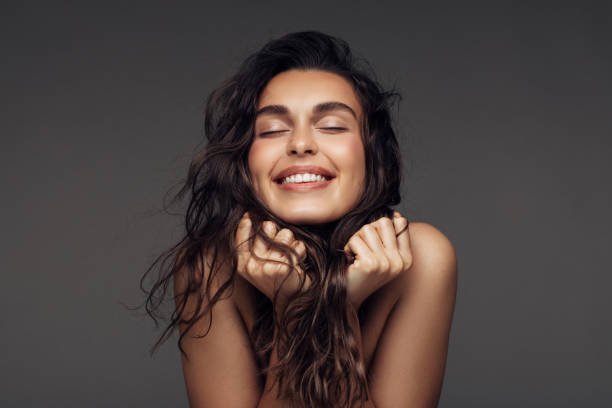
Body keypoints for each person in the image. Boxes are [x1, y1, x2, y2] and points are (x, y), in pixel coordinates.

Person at [140, 30, 457, 408]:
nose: (300, 143)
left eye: (333, 126)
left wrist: (334, 309)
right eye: (273, 129)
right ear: (245, 160)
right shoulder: (211, 265)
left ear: (372, 154)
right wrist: (297, 312)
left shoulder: (422, 257)